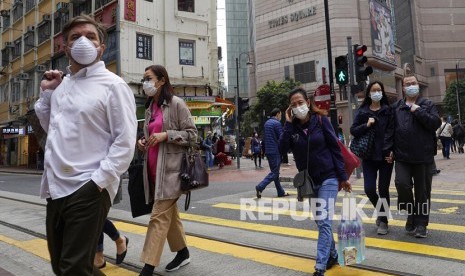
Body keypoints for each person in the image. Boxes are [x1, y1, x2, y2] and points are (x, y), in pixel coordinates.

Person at [34, 15, 137, 275]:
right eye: (75, 37)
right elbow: (54, 130)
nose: (83, 41)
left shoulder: (113, 86)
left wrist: (97, 183)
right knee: (64, 267)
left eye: (90, 36)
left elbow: (125, 142)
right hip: (55, 190)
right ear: (65, 47)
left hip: (88, 188)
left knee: (73, 269)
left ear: (101, 47)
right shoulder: (62, 86)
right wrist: (47, 93)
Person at [280, 88, 351, 276]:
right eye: (293, 105)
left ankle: (319, 267)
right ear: (290, 109)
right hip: (309, 182)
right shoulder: (292, 129)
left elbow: (336, 149)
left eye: (300, 102)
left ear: (308, 103)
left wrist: (343, 177)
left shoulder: (321, 121)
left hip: (328, 177)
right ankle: (333, 254)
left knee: (325, 221)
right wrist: (287, 124)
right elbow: (282, 150)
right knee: (321, 222)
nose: (298, 107)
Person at [137, 65, 197, 275]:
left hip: (172, 172)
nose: (145, 83)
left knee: (158, 217)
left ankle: (148, 267)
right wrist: (142, 142)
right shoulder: (150, 108)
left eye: (149, 78)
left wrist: (166, 135)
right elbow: (150, 136)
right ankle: (182, 252)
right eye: (144, 79)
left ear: (162, 80)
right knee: (169, 215)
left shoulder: (176, 104)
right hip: (153, 171)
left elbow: (192, 135)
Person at [384, 74, 441, 238]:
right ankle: (411, 214)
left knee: (423, 192)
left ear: (418, 85)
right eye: (407, 84)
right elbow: (390, 131)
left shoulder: (427, 104)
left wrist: (418, 111)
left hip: (423, 157)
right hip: (402, 156)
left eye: (413, 83)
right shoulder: (396, 107)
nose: (410, 86)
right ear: (402, 88)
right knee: (402, 184)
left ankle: (421, 223)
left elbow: (434, 123)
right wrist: (389, 150)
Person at [350, 81, 394, 235]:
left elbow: (393, 133)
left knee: (383, 189)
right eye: (374, 90)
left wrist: (391, 151)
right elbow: (353, 130)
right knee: (369, 189)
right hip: (368, 157)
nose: (376, 92)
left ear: (382, 92)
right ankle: (382, 213)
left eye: (379, 90)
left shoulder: (388, 111)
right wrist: (366, 125)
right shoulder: (362, 112)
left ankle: (384, 221)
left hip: (385, 157)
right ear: (369, 93)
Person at [255, 108, 288, 198]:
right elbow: (281, 138)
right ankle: (260, 186)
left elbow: (265, 138)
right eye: (280, 115)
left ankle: (280, 192)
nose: (280, 116)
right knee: (275, 173)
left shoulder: (266, 123)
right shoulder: (277, 123)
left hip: (269, 151)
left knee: (275, 172)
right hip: (275, 151)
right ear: (277, 114)